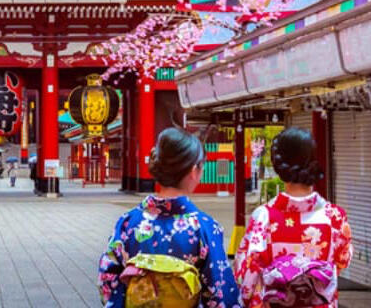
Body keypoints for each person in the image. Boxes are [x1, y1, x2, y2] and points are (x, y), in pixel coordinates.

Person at [98, 127, 240, 308]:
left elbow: (107, 279)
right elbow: (221, 293)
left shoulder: (127, 222)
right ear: (193, 170)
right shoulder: (204, 227)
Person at [234, 127, 352, 308]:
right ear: (313, 161)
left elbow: (247, 272)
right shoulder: (334, 217)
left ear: (277, 165)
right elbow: (343, 260)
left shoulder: (264, 216)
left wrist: (246, 297)